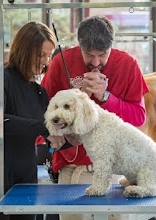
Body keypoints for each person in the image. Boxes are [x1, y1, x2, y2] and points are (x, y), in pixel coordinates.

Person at [41, 15, 149, 220]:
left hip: (113, 168)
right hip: (69, 166)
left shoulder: (128, 65)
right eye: (89, 55)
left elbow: (138, 117)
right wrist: (74, 98)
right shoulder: (60, 62)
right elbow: (45, 111)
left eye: (102, 55)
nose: (96, 62)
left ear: (112, 47)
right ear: (79, 45)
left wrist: (106, 97)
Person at [0, 21, 65, 220]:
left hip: (26, 185)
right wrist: (44, 127)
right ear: (24, 49)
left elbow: (50, 137)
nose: (45, 61)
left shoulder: (39, 91)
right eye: (41, 55)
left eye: (49, 55)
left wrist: (71, 136)